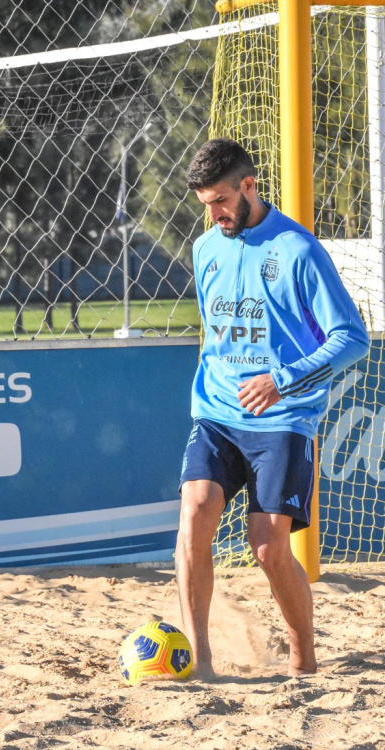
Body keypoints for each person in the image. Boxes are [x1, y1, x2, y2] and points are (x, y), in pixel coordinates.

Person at [177, 138, 370, 678]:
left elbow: (352, 339)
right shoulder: (206, 248)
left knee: (267, 548)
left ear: (248, 186)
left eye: (219, 200)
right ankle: (201, 661)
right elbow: (217, 336)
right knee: (194, 514)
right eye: (204, 205)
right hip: (217, 412)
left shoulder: (299, 250)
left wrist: (282, 381)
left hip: (283, 418)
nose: (213, 215)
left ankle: (303, 660)